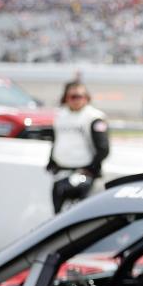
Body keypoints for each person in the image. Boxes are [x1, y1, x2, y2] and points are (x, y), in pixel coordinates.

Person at [46, 81, 109, 213]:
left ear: (87, 97)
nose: (76, 100)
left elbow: (103, 148)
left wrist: (90, 169)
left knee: (81, 214)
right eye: (72, 96)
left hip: (84, 173)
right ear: (66, 98)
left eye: (80, 96)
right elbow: (56, 141)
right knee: (57, 214)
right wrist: (51, 162)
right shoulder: (60, 116)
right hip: (61, 173)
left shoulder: (94, 117)